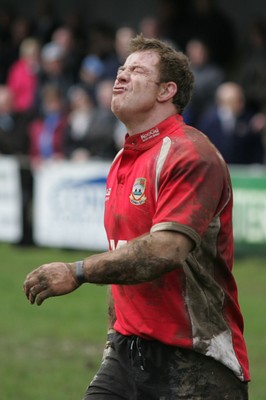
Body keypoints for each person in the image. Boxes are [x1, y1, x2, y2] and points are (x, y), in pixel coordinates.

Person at [23, 35, 250, 399]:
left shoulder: (191, 153)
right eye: (121, 69)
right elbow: (124, 256)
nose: (120, 77)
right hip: (126, 355)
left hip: (195, 360)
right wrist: (114, 339)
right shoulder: (121, 159)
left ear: (166, 91)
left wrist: (78, 272)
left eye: (137, 71)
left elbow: (164, 250)